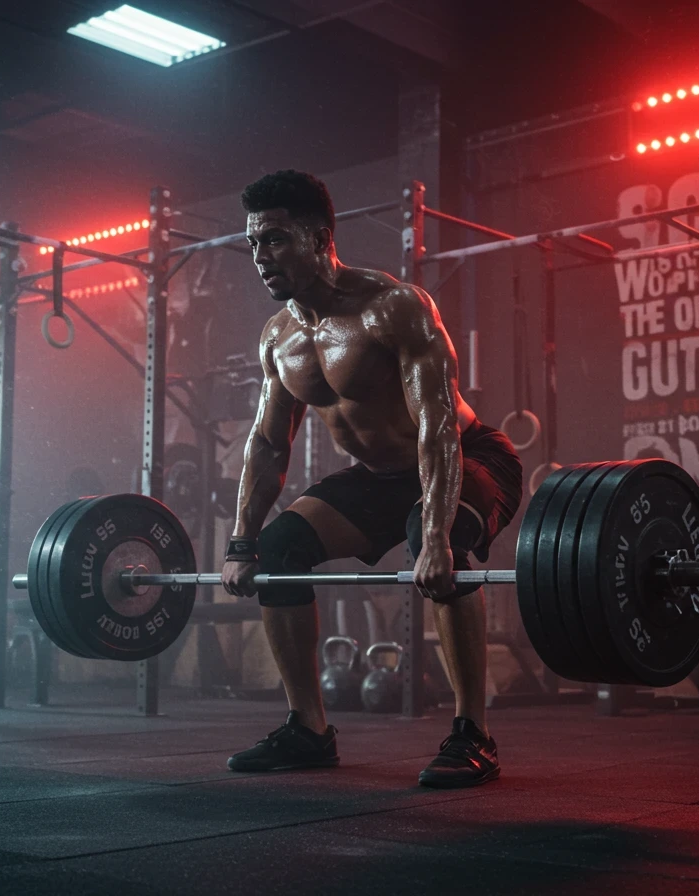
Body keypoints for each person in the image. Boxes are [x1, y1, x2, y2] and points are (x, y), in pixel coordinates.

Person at [221, 170, 523, 788]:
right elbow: (268, 442)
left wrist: (437, 536)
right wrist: (242, 541)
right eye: (252, 244)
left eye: (275, 239)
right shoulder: (278, 338)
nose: (261, 257)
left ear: (319, 237)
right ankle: (308, 730)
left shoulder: (394, 307)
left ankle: (474, 735)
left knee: (440, 543)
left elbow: (437, 425)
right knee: (281, 551)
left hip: (469, 456)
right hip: (381, 474)